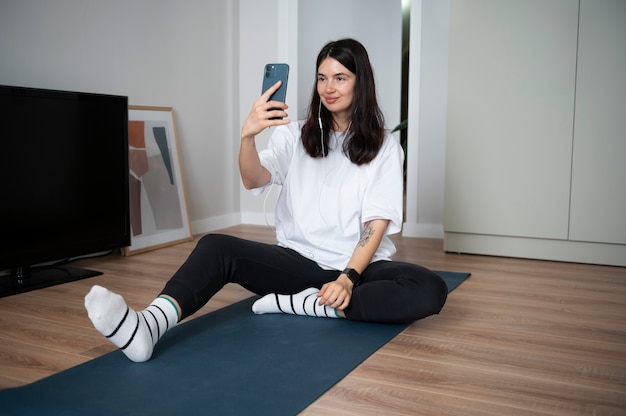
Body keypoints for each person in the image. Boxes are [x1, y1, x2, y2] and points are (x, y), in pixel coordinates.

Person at [84, 38, 448, 363]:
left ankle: (306, 306)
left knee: (429, 289)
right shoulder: (294, 134)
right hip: (298, 263)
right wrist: (247, 137)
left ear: (360, 82)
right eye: (322, 78)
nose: (328, 87)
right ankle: (147, 326)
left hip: (358, 269)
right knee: (215, 246)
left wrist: (348, 279)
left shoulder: (384, 145)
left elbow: (376, 222)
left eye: (340, 77)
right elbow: (252, 178)